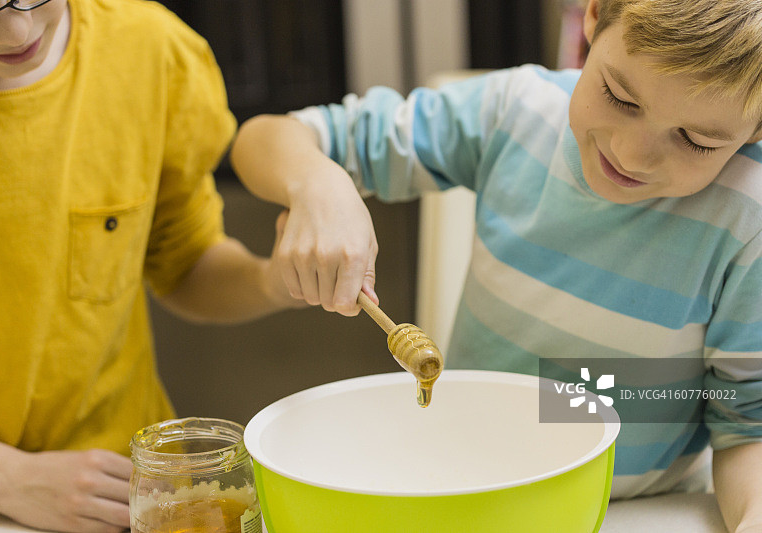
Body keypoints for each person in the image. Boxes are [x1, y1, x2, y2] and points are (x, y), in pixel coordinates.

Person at [230, 0, 762, 531]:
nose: (633, 154)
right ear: (593, 21)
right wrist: (316, 183)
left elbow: (748, 429)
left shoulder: (749, 219)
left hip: (632, 514)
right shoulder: (515, 110)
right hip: (463, 495)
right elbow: (264, 139)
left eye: (697, 140)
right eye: (620, 97)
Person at [0, 0, 302, 531]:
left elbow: (184, 263)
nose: (17, 28)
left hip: (122, 496)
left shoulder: (150, 51)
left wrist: (274, 282)